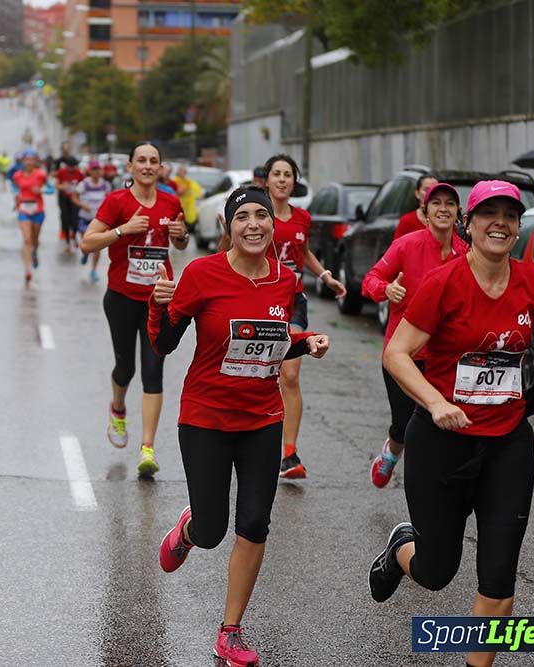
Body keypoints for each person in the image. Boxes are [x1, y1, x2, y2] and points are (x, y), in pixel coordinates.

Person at [369, 180, 534, 667]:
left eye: (510, 214)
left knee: (498, 579)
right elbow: (396, 354)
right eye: (488, 213)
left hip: (507, 443)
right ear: (469, 224)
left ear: (519, 226)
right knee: (437, 572)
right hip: (443, 441)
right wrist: (436, 403)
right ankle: (401, 548)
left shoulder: (530, 282)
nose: (499, 222)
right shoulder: (444, 282)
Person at [150, 186, 330, 667]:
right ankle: (190, 530)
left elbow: (270, 341)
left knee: (253, 523)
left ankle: (230, 631)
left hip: (262, 419)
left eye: (262, 216)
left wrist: (305, 341)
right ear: (228, 226)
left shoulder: (285, 280)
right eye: (243, 216)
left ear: (273, 224)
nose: (253, 224)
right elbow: (165, 342)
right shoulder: (202, 274)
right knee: (213, 531)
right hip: (206, 418)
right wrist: (156, 305)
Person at [80, 142, 188, 478]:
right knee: (125, 367)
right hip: (122, 297)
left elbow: (181, 242)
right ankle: (118, 407)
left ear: (160, 168)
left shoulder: (171, 201)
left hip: (158, 298)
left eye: (153, 161)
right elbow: (86, 242)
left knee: (153, 369)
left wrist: (181, 235)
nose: (147, 166)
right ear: (130, 167)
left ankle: (147, 449)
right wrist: (121, 231)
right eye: (141, 160)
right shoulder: (117, 202)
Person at [361, 182, 469, 488]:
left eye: (450, 203)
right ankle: (391, 454)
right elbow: (370, 279)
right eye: (437, 204)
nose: (444, 209)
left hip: (444, 357)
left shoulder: (466, 255)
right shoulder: (407, 245)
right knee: (405, 425)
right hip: (402, 355)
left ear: (458, 213)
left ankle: (429, 486)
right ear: (426, 212)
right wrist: (387, 289)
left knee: (436, 424)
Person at [252, 154, 346, 479]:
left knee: (289, 376)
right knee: (257, 374)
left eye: (287, 174)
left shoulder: (303, 217)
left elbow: (302, 251)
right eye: (276, 174)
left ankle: (289, 454)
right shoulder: (256, 215)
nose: (281, 179)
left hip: (292, 300)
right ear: (266, 179)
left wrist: (325, 276)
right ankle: (248, 441)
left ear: (294, 181)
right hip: (258, 299)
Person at [12, 150, 47, 284]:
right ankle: (27, 270)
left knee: (34, 240)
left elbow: (50, 188)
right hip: (23, 210)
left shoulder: (41, 175)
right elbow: (15, 188)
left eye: (32, 159)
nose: (29, 162)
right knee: (26, 239)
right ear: (23, 161)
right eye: (27, 159)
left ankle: (35, 252)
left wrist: (41, 190)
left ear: (35, 161)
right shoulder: (17, 175)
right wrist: (17, 195)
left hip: (38, 210)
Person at [75, 159, 112, 282]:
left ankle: (93, 270)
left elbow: (110, 200)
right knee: (85, 243)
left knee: (97, 246)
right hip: (85, 218)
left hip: (99, 221)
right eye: (94, 169)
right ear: (89, 171)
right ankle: (85, 254)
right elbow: (74, 196)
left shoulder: (105, 185)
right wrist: (81, 204)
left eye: (98, 169)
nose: (96, 172)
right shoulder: (84, 184)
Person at [393, 174, 439, 241]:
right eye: (426, 190)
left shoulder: (447, 220)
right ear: (417, 193)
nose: (431, 193)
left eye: (435, 190)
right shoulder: (406, 221)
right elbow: (397, 248)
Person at [55, 156, 85, 252]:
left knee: (75, 220)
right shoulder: (61, 172)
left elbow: (83, 185)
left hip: (75, 200)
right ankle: (67, 242)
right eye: (70, 166)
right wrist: (62, 186)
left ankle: (74, 238)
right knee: (65, 220)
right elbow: (56, 184)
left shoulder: (79, 173)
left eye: (73, 166)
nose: (71, 168)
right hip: (64, 199)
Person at [173, 164, 204, 236]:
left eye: (184, 171)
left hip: (188, 210)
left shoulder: (189, 182)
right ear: (178, 171)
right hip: (177, 209)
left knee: (185, 230)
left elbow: (199, 193)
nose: (183, 172)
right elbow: (177, 191)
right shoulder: (174, 181)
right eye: (181, 170)